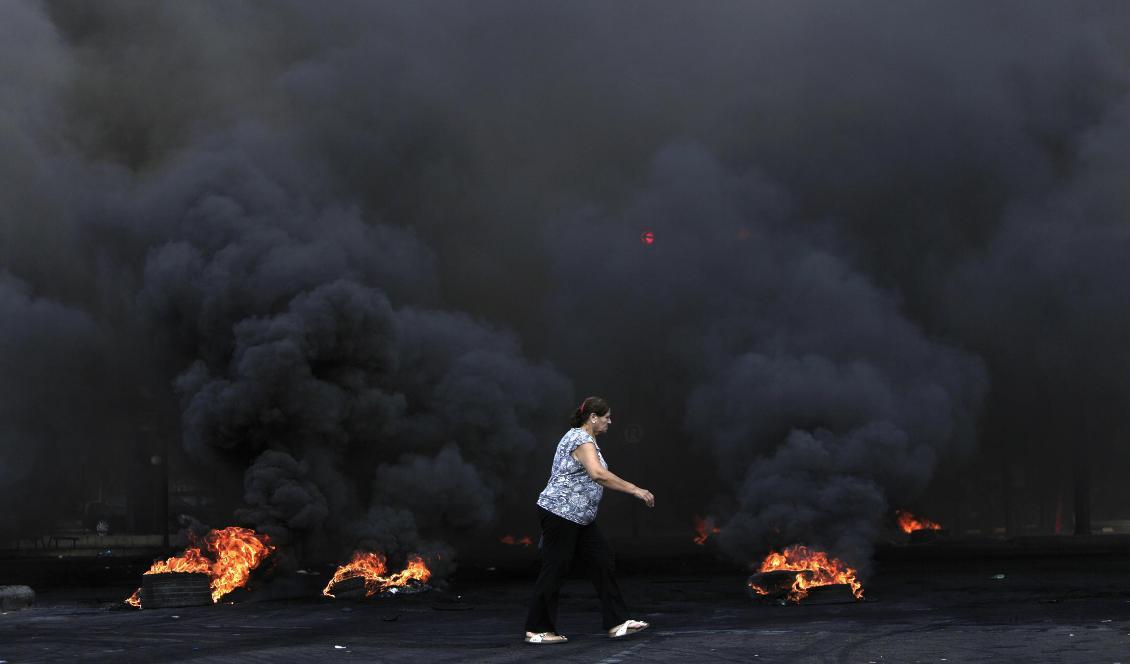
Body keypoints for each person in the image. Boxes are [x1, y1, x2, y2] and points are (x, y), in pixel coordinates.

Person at [524, 396, 656, 644]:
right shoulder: (580, 438)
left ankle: (617, 622)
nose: (610, 422)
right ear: (592, 418)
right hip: (560, 513)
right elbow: (597, 474)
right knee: (556, 567)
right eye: (606, 417)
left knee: (602, 560)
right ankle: (537, 630)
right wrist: (635, 489)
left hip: (580, 518)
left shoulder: (587, 440)